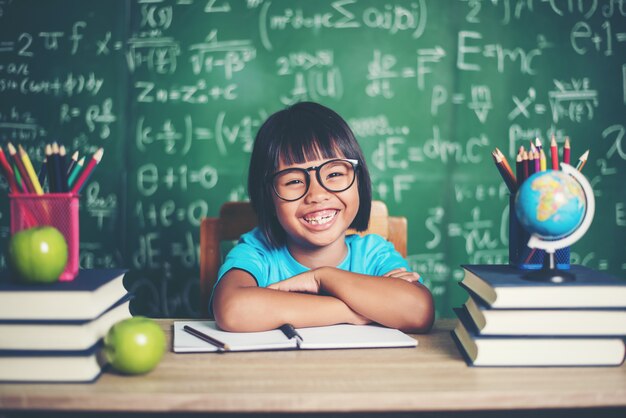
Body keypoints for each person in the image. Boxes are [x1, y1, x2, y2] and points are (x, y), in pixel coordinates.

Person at [212, 102, 434, 333]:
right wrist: (350, 311)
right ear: (268, 197)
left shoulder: (373, 254)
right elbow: (232, 310)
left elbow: (419, 311)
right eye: (294, 181)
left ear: (359, 179)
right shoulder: (257, 252)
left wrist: (323, 278)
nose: (317, 195)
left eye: (335, 173)